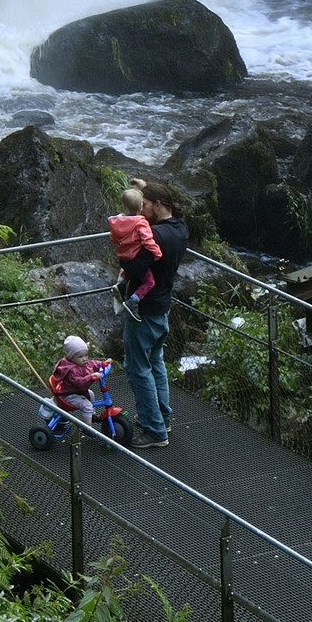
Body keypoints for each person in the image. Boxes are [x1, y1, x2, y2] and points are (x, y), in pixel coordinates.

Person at [118, 182, 188, 448]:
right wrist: (144, 187)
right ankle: (163, 417)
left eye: (144, 205)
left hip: (143, 311)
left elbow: (136, 268)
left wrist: (122, 255)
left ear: (157, 205)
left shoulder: (152, 236)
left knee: (138, 369)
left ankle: (154, 429)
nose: (141, 209)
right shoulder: (180, 229)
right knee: (155, 363)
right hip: (162, 305)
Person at [107, 185, 161, 309]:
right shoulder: (140, 223)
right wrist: (157, 253)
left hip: (124, 257)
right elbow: (147, 240)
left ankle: (121, 283)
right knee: (149, 282)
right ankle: (133, 301)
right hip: (135, 258)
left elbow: (113, 238)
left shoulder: (117, 222)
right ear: (140, 207)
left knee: (129, 271)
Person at [48, 334, 103, 429]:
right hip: (69, 395)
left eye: (86, 355)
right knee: (87, 406)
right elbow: (79, 382)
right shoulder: (71, 370)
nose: (85, 358)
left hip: (78, 392)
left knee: (91, 394)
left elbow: (92, 363)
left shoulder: (82, 363)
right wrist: (91, 376)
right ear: (72, 358)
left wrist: (103, 364)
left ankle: (91, 415)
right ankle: (88, 428)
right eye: (80, 356)